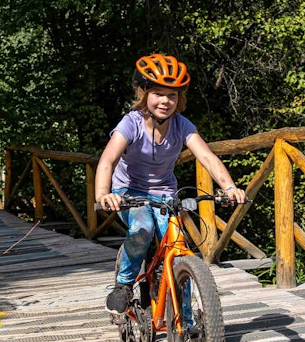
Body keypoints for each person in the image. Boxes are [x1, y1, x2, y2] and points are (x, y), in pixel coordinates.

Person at [95, 53, 246, 314]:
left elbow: (207, 157)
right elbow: (107, 160)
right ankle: (124, 283)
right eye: (158, 93)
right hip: (128, 192)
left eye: (172, 95)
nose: (165, 101)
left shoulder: (182, 125)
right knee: (142, 227)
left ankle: (187, 325)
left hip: (165, 193)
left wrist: (230, 187)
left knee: (178, 248)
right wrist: (103, 194)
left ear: (180, 98)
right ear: (143, 94)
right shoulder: (131, 123)